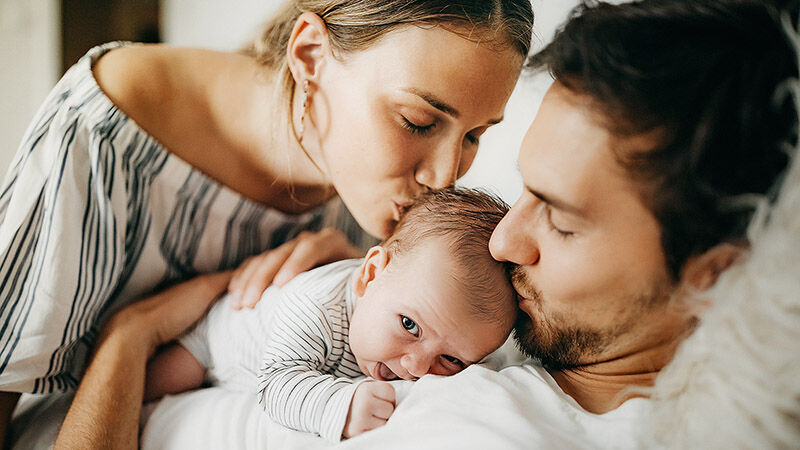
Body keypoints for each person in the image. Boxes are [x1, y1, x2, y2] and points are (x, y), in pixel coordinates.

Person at [46, 0, 797, 448]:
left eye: (562, 223)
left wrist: (131, 338)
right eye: (417, 121)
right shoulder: (384, 221)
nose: (503, 239)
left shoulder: (482, 405)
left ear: (713, 272)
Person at [0, 0, 533, 445]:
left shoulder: (382, 203)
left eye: (474, 135)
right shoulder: (102, 132)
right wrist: (130, 336)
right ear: (310, 56)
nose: (445, 176)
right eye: (416, 121)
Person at [143, 188, 516, 442]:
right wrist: (340, 406)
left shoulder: (409, 308)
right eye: (409, 325)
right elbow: (275, 385)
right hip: (214, 340)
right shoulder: (317, 307)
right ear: (370, 275)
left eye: (451, 360)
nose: (417, 367)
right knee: (150, 392)